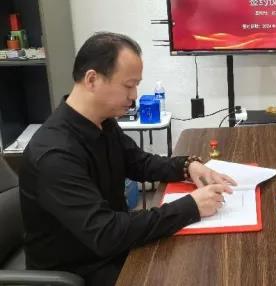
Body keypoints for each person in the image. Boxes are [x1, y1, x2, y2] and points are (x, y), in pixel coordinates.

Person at [19, 32, 236, 285]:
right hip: (81, 270)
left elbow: (139, 162)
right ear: (92, 79)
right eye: (128, 85)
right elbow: (105, 232)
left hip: (114, 250)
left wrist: (188, 166)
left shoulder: (102, 122)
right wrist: (191, 207)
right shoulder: (54, 154)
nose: (134, 96)